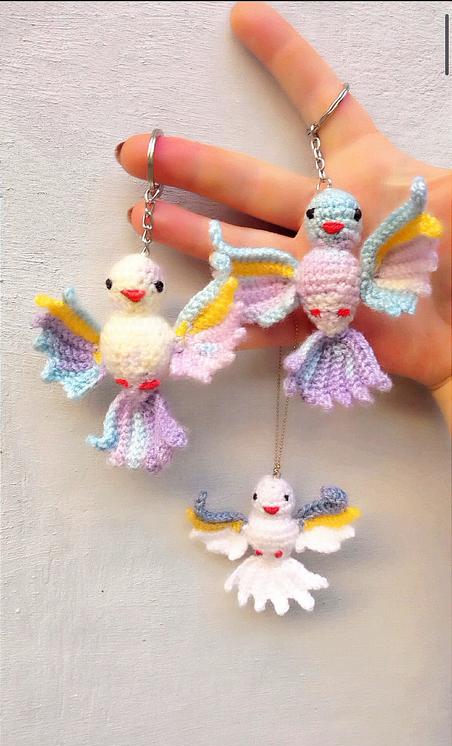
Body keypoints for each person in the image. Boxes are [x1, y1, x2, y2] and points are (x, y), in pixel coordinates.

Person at [115, 1, 451, 427]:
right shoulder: (302, 270)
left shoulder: (372, 260)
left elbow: (393, 243)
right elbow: (260, 270)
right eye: (321, 219)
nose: (333, 225)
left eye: (348, 218)